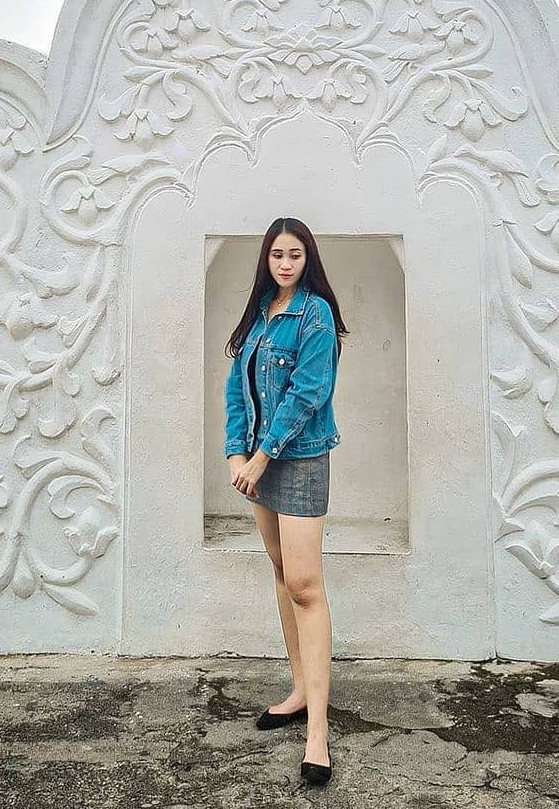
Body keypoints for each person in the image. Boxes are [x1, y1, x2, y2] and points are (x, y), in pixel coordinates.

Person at [223, 217, 347, 786]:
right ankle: (299, 689)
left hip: (293, 459)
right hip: (256, 460)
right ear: (266, 261)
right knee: (279, 571)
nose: (285, 263)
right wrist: (234, 451)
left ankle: (318, 731)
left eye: (295, 254)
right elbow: (236, 386)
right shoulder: (261, 313)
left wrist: (262, 456)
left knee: (304, 584)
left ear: (308, 258)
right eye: (277, 254)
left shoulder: (314, 313)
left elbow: (308, 392)